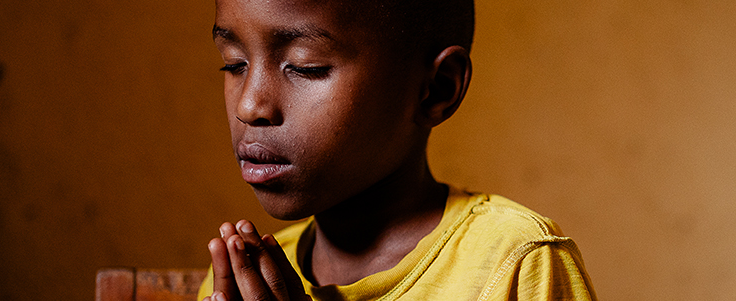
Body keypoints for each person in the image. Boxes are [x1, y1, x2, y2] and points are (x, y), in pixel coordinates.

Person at [197, 0, 596, 300]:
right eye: (234, 64)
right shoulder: (242, 279)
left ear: (437, 88)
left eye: (305, 66)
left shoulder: (515, 265)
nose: (249, 106)